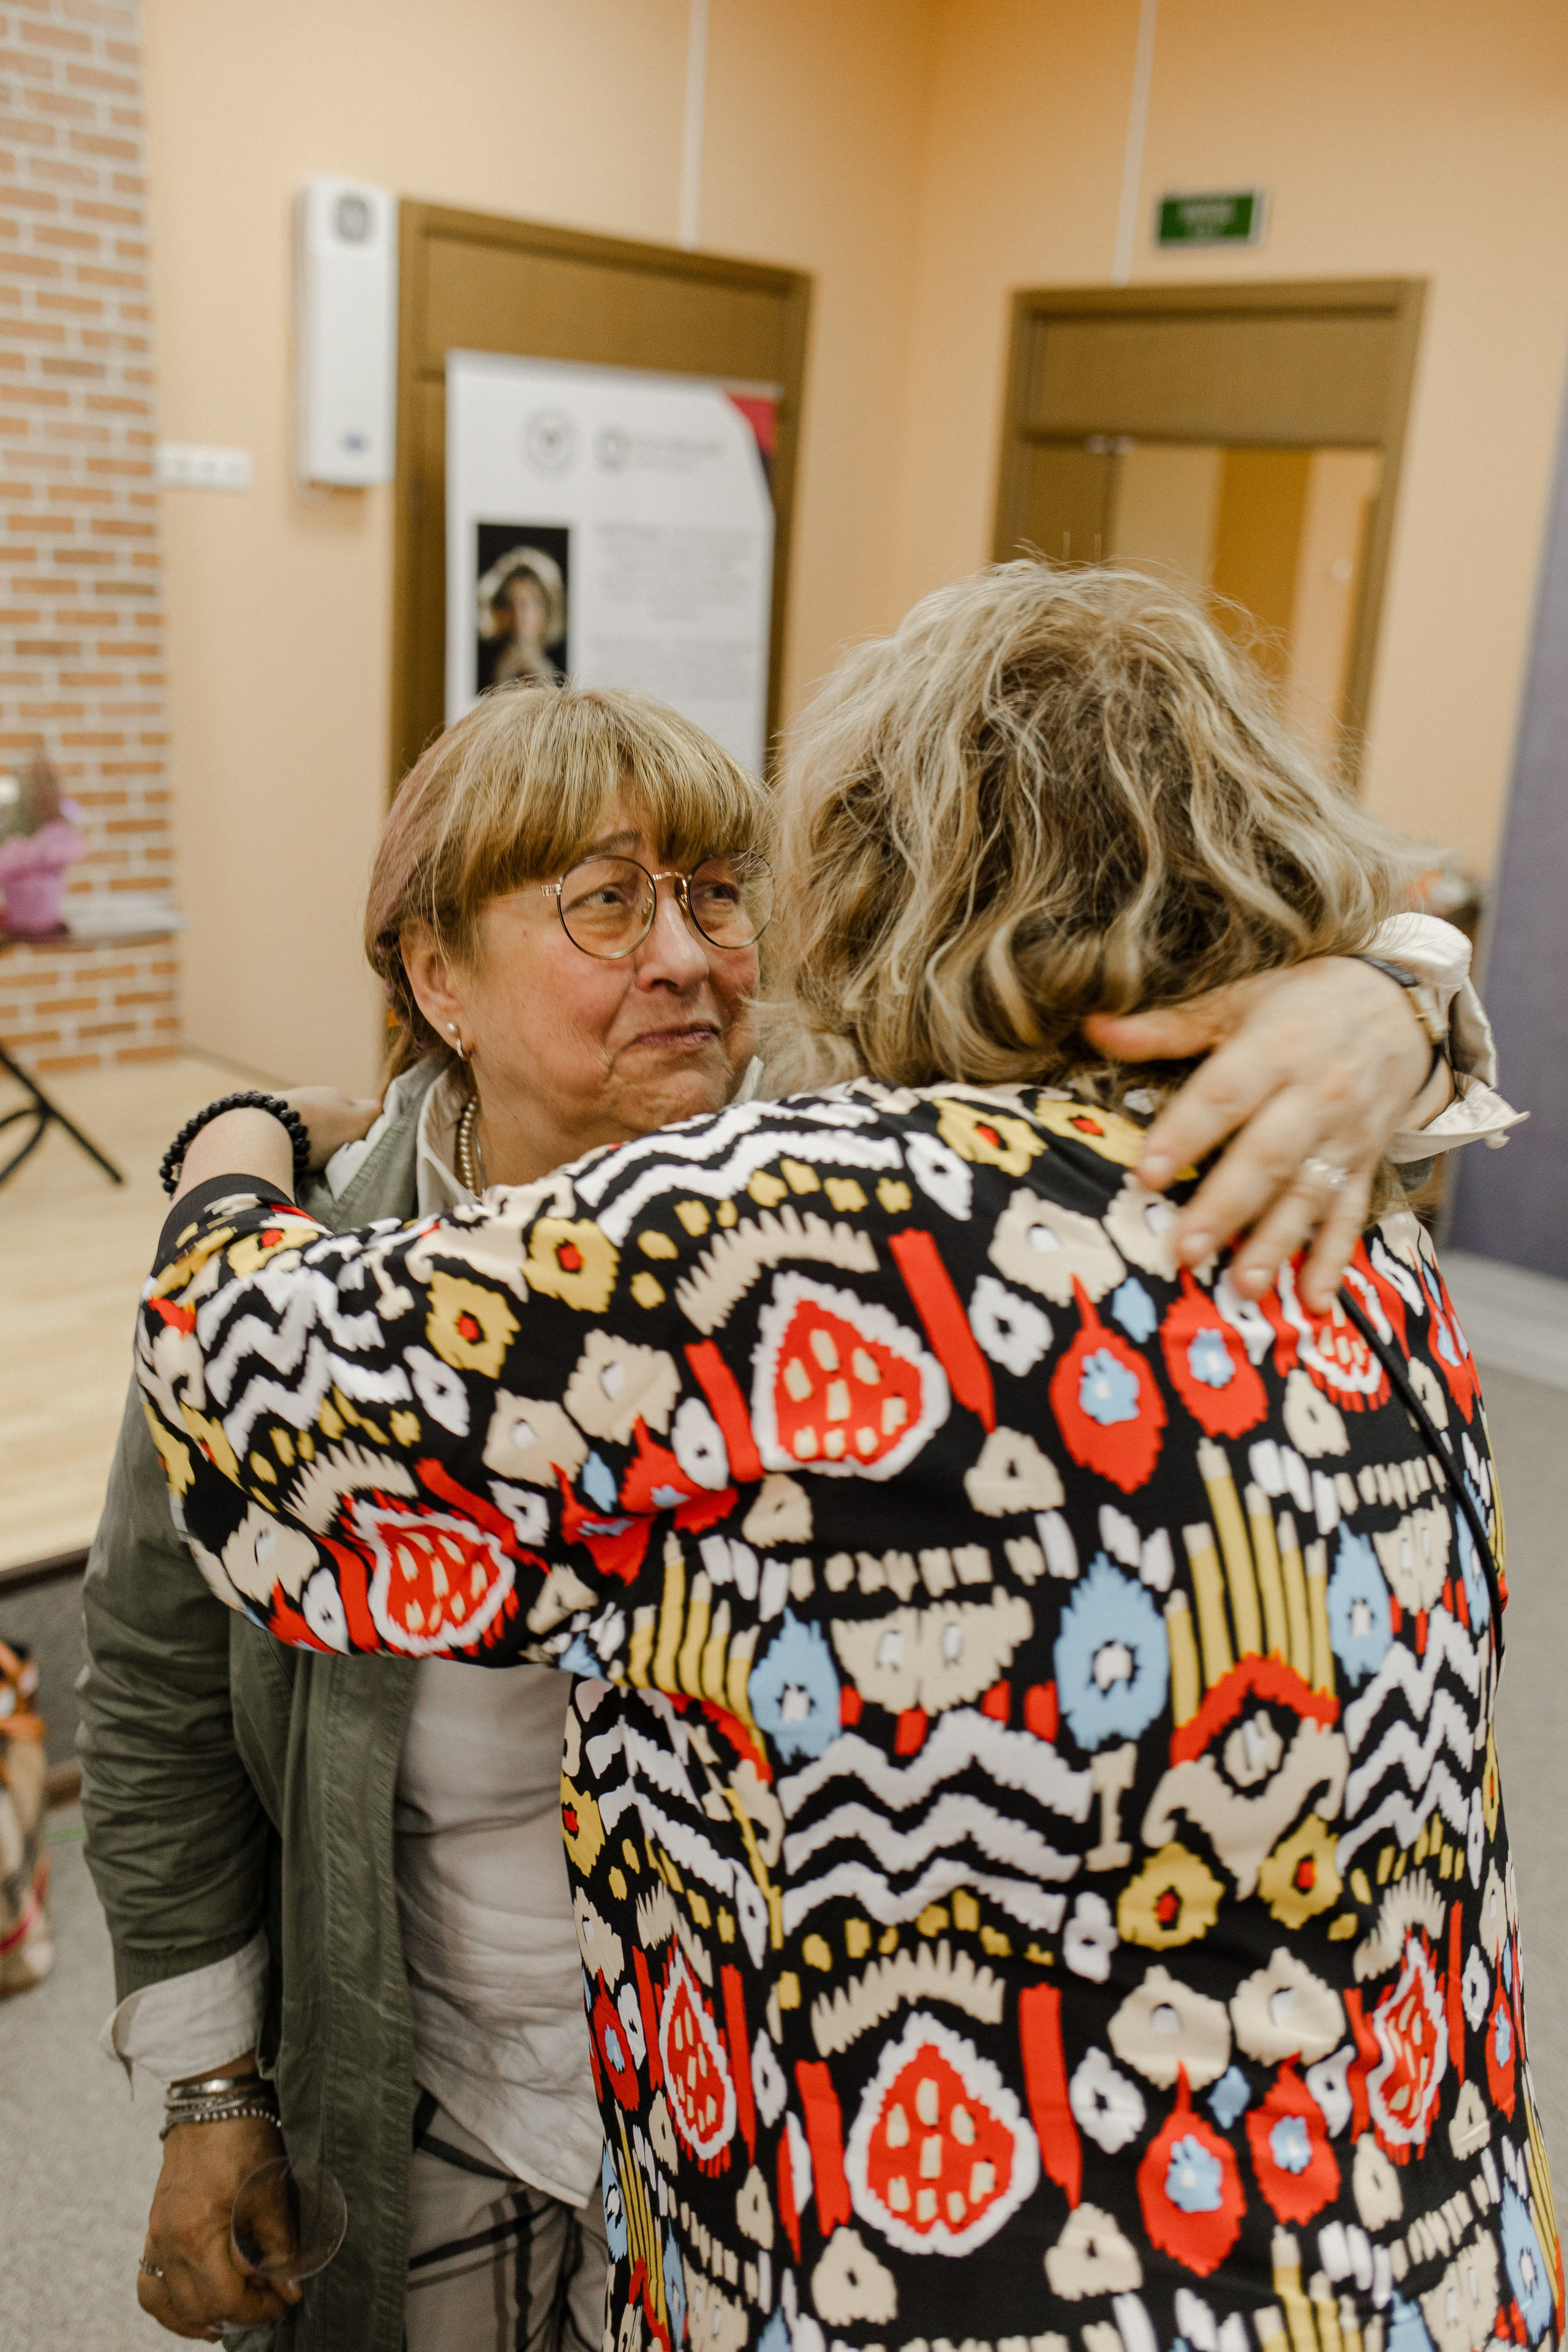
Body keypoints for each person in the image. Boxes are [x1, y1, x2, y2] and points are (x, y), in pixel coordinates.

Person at [132, 564, 1547, 2352]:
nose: (705, 943)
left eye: (729, 889)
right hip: (1397, 2255)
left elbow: (235, 1385)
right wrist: (1389, 991)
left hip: (941, 2276)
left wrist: (231, 1140)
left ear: (876, 873)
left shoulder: (768, 1236)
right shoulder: (1363, 1234)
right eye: (606, 901)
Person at [477, 546, 568, 689]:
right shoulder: (483, 670)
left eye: (531, 604)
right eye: (511, 604)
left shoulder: (563, 672)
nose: (520, 615)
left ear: (548, 609)